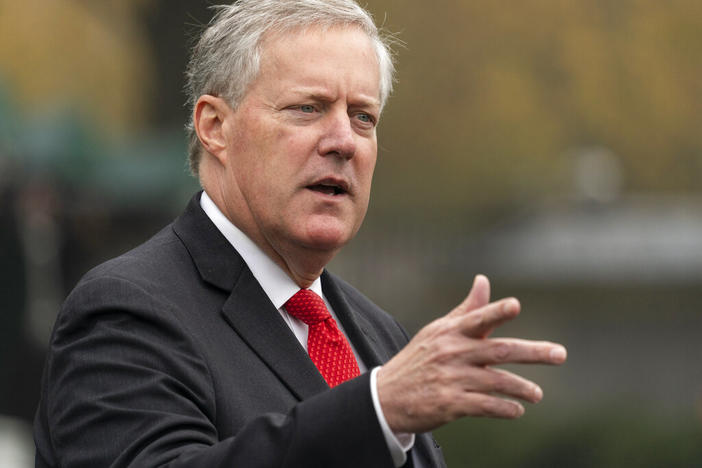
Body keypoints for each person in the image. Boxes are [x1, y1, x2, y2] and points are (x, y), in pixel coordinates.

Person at [33, 1, 567, 467]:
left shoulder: (381, 335)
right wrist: (377, 411)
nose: (343, 141)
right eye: (308, 108)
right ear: (215, 127)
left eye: (363, 117)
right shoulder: (126, 311)